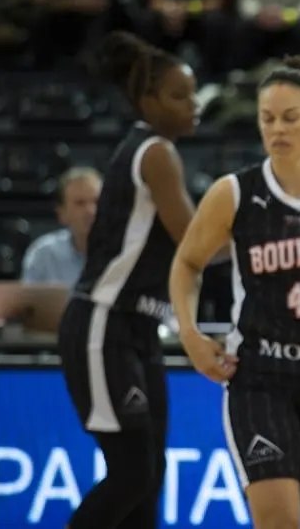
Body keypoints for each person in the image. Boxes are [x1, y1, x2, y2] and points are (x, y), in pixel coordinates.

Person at [169, 56, 300, 529]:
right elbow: (187, 263)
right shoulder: (235, 192)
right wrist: (189, 334)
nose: (278, 129)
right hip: (261, 378)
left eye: (290, 117)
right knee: (277, 520)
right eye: (267, 119)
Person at [57, 31, 198, 529]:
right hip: (104, 324)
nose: (194, 105)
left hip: (139, 330)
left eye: (194, 93)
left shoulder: (155, 150)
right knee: (134, 472)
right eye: (179, 96)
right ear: (147, 101)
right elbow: (195, 240)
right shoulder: (154, 150)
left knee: (150, 475)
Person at [22, 166, 102, 286]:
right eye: (80, 203)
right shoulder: (43, 255)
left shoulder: (126, 251)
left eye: (96, 201)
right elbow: (27, 304)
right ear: (62, 213)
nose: (91, 210)